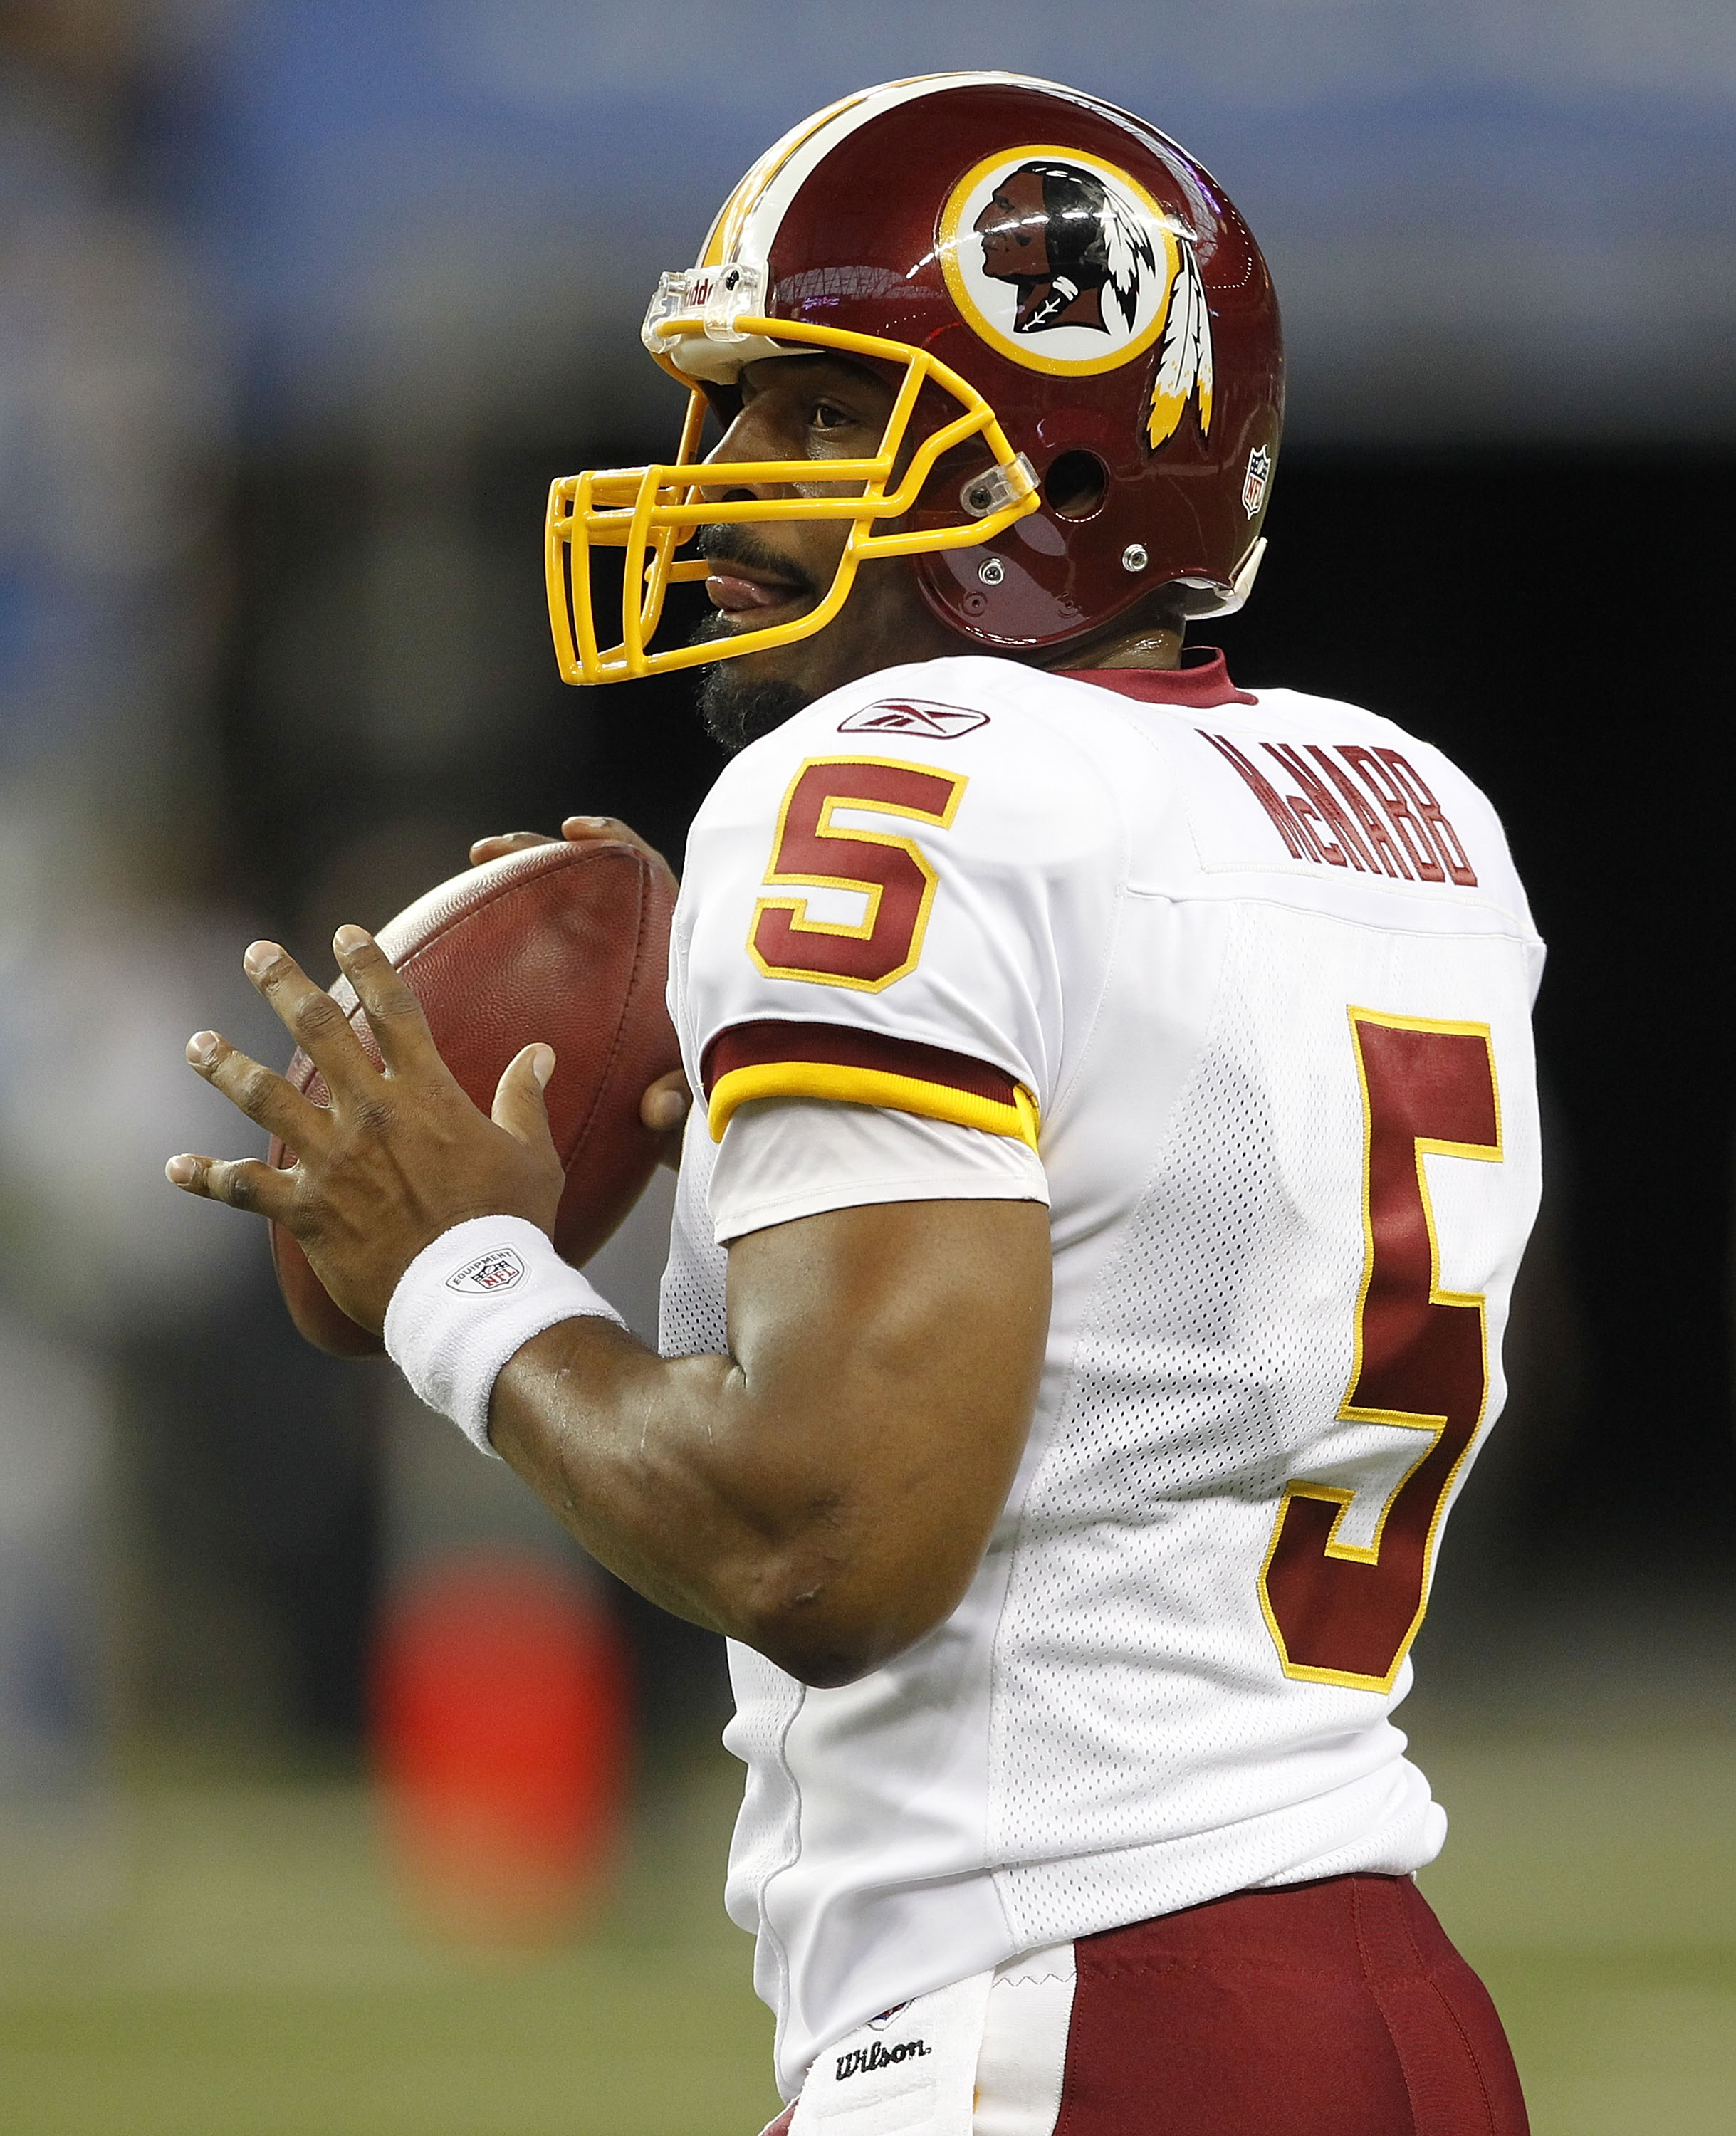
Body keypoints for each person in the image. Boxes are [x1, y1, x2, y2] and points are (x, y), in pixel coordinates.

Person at [167, 74, 1539, 2136]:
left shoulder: (893, 780)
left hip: (1066, 2011)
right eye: (722, 414)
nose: (717, 486)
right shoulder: (1405, 810)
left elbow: (831, 1543)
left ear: (1060, 453)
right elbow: (1109, 1320)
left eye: (817, 417)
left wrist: (456, 1278)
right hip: (1384, 1994)